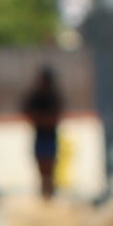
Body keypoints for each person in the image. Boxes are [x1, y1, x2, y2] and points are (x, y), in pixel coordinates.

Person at [21, 66, 65, 200]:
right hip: (40, 137)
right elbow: (30, 114)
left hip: (50, 137)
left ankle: (49, 194)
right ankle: (44, 194)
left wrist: (42, 119)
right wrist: (43, 120)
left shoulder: (53, 97)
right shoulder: (35, 97)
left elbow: (54, 118)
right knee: (41, 168)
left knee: (50, 168)